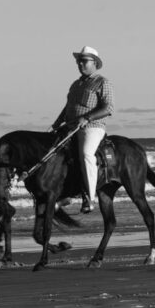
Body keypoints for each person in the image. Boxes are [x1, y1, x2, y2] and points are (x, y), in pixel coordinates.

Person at [51, 45, 115, 213]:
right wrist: (57, 123)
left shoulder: (102, 82)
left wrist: (87, 118)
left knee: (86, 154)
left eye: (84, 61)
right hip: (71, 126)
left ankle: (89, 197)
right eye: (79, 61)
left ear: (94, 63)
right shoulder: (75, 84)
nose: (80, 64)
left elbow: (108, 108)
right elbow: (67, 107)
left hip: (92, 127)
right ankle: (65, 193)